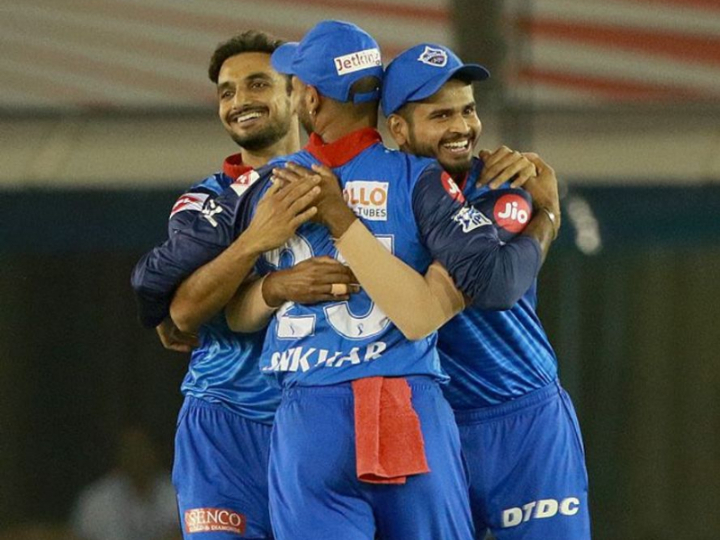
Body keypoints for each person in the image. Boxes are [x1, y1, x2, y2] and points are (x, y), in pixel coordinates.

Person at [132, 20, 559, 540]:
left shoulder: (264, 186)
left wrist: (269, 286)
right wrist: (544, 216)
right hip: (405, 402)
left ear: (310, 100)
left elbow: (203, 308)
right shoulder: (422, 177)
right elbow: (480, 287)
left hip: (308, 413)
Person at [132, 30, 355, 540]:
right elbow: (184, 313)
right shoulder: (206, 201)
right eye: (227, 92)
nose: (239, 102)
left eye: (257, 84)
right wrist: (256, 239)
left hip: (324, 421)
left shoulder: (350, 182)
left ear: (298, 94)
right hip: (223, 423)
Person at [379, 44, 591, 539]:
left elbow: (499, 284)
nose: (462, 127)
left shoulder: (504, 185)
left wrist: (548, 214)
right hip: (430, 422)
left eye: (468, 110)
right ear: (399, 129)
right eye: (441, 115)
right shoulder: (379, 196)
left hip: (522, 415)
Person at [71, 426, 180, 540]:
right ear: (119, 455)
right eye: (130, 450)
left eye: (141, 449)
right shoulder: (95, 501)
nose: (137, 457)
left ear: (155, 452)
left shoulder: (179, 495)